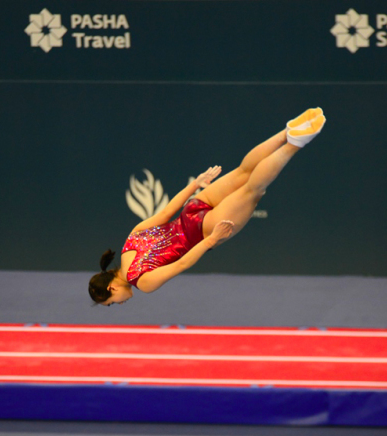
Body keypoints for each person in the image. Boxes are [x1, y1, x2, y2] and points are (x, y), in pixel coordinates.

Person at [88, 108, 326, 305]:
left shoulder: (143, 283)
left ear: (111, 288)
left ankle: (294, 143)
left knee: (253, 190)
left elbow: (182, 263)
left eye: (110, 303)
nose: (117, 304)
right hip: (191, 211)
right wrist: (195, 186)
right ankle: (286, 133)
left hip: (202, 232)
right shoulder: (129, 241)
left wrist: (212, 240)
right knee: (244, 172)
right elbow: (166, 213)